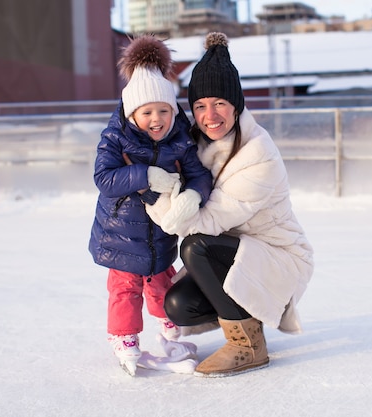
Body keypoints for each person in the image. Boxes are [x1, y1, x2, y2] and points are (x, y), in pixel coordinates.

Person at [146, 32, 314, 377]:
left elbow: (208, 221)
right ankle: (244, 315)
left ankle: (247, 344)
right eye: (200, 106)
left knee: (195, 246)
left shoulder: (258, 153)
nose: (211, 115)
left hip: (277, 253)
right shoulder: (195, 144)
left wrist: (158, 199)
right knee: (179, 305)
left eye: (220, 103)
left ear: (236, 105)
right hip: (231, 252)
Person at [88, 35, 212, 376]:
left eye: (163, 110)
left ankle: (168, 327)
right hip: (120, 234)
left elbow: (199, 174)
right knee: (125, 285)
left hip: (160, 231)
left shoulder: (180, 139)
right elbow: (105, 179)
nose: (156, 119)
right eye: (147, 112)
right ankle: (124, 337)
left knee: (161, 280)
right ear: (132, 114)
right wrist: (145, 175)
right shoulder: (115, 138)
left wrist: (193, 195)